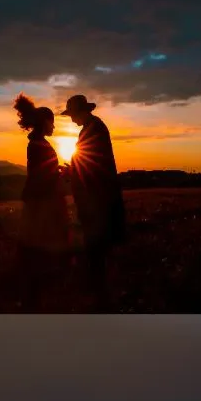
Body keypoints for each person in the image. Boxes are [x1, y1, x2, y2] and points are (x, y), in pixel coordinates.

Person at [60, 94, 126, 309]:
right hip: (97, 196)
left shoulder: (93, 129)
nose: (70, 119)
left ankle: (100, 291)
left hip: (97, 198)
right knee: (98, 243)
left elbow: (91, 164)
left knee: (96, 243)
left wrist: (71, 170)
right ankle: (100, 286)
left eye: (71, 114)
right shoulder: (93, 127)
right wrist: (72, 170)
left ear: (80, 112)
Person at [14, 93, 70, 309]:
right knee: (41, 242)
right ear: (44, 122)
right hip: (43, 202)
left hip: (40, 200)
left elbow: (41, 171)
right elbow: (41, 176)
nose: (54, 127)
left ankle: (36, 282)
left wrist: (56, 171)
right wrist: (61, 176)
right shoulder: (39, 145)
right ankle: (37, 288)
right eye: (52, 123)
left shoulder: (37, 143)